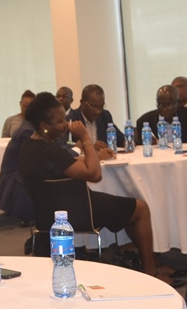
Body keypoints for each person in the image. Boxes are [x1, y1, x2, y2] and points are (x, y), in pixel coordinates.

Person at [20, 92, 156, 275]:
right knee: (140, 208)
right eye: (60, 121)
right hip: (79, 211)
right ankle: (151, 269)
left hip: (47, 215)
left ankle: (136, 260)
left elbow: (68, 163)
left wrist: (93, 156)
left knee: (126, 208)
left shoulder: (30, 147)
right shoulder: (50, 151)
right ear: (44, 126)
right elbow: (94, 174)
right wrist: (85, 138)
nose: (66, 125)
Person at [66, 84, 116, 160]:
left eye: (101, 106)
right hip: (83, 164)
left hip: (105, 162)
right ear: (82, 102)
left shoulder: (105, 116)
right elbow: (63, 149)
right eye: (94, 106)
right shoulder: (71, 120)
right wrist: (89, 148)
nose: (98, 111)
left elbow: (119, 138)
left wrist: (127, 140)